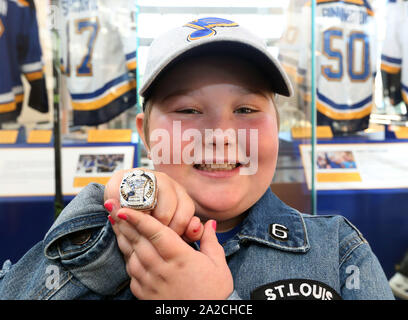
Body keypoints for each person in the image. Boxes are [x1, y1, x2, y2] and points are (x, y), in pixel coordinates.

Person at [0, 17, 394, 300]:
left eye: (246, 110)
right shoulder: (99, 236)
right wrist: (100, 210)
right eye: (188, 111)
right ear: (145, 133)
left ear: (277, 126)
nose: (221, 135)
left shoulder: (340, 249)